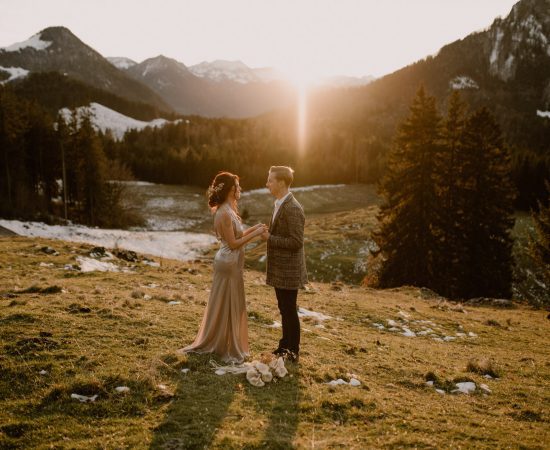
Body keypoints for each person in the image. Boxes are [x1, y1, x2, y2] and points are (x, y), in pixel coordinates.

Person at [178, 172, 266, 363]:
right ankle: (221, 343)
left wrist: (254, 228)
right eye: (236, 186)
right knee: (227, 302)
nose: (239, 189)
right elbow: (234, 243)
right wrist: (257, 233)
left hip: (230, 262)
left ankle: (225, 340)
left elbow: (237, 235)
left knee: (228, 302)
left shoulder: (228, 210)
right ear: (230, 190)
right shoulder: (224, 213)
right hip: (228, 262)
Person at [261, 166, 308, 363]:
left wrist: (270, 238)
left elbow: (296, 241)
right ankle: (284, 346)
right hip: (281, 268)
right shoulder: (279, 203)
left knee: (289, 309)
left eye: (270, 180)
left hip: (289, 270)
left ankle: (292, 351)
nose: (267, 184)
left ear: (281, 182)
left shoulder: (293, 208)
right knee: (284, 307)